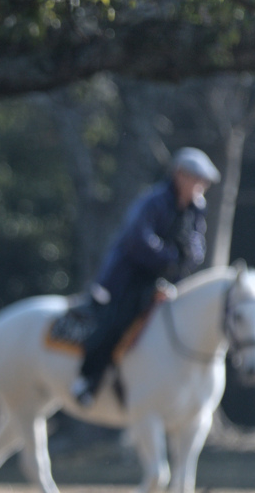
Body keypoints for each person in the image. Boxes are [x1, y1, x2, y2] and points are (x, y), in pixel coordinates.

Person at [71, 147, 221, 407]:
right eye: (197, 179)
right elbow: (137, 240)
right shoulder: (154, 201)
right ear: (179, 175)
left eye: (205, 182)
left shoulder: (196, 209)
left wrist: (186, 257)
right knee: (119, 320)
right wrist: (171, 257)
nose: (202, 186)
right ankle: (89, 379)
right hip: (129, 278)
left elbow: (197, 246)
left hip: (166, 280)